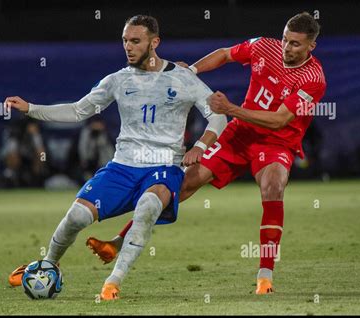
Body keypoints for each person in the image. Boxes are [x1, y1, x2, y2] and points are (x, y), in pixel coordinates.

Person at [87, 12, 327, 295]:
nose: (286, 48)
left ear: (311, 46)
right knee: (184, 183)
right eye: (286, 39)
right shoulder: (265, 46)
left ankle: (264, 277)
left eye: (295, 44)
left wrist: (231, 109)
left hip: (276, 142)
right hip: (239, 134)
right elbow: (225, 54)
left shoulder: (314, 78)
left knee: (273, 186)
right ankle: (118, 242)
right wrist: (193, 72)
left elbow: (279, 120)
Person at [5, 15, 227, 300]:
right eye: (125, 41)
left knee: (148, 206)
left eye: (135, 41)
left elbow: (217, 115)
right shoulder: (118, 80)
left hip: (164, 167)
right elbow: (77, 111)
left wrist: (201, 145)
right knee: (76, 216)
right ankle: (48, 263)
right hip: (122, 167)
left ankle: (113, 282)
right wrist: (31, 108)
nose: (128, 47)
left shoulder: (182, 78)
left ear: (154, 42)